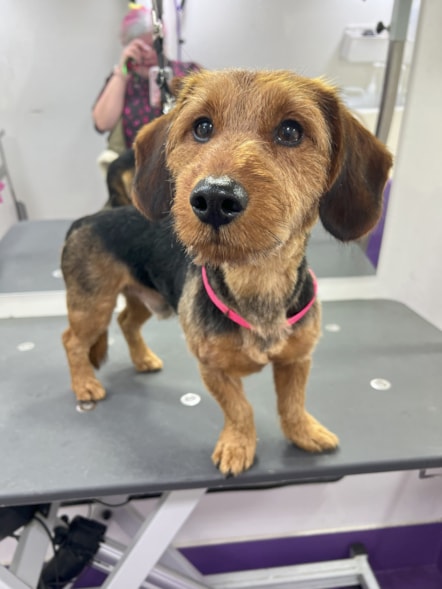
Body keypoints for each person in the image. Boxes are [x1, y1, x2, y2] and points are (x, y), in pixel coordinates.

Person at [93, 3, 200, 173]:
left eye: (154, 45)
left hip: (182, 169)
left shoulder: (187, 72)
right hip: (137, 172)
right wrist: (122, 72)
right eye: (141, 47)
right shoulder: (124, 81)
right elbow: (102, 123)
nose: (149, 52)